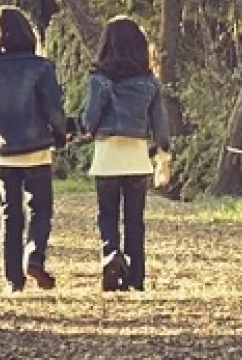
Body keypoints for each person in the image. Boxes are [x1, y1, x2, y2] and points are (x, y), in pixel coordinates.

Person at [0, 6, 68, 294]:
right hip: (37, 150)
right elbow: (53, 111)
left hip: (3, 154)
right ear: (29, 33)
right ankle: (34, 256)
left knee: (10, 215)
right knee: (40, 210)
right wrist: (62, 134)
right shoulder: (42, 68)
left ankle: (13, 280)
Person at [77, 16, 172, 292]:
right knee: (134, 219)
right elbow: (160, 126)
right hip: (137, 157)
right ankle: (136, 274)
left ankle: (111, 255)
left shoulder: (99, 80)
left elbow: (91, 117)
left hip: (107, 155)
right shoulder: (150, 84)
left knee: (107, 214)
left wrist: (84, 129)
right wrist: (163, 155)